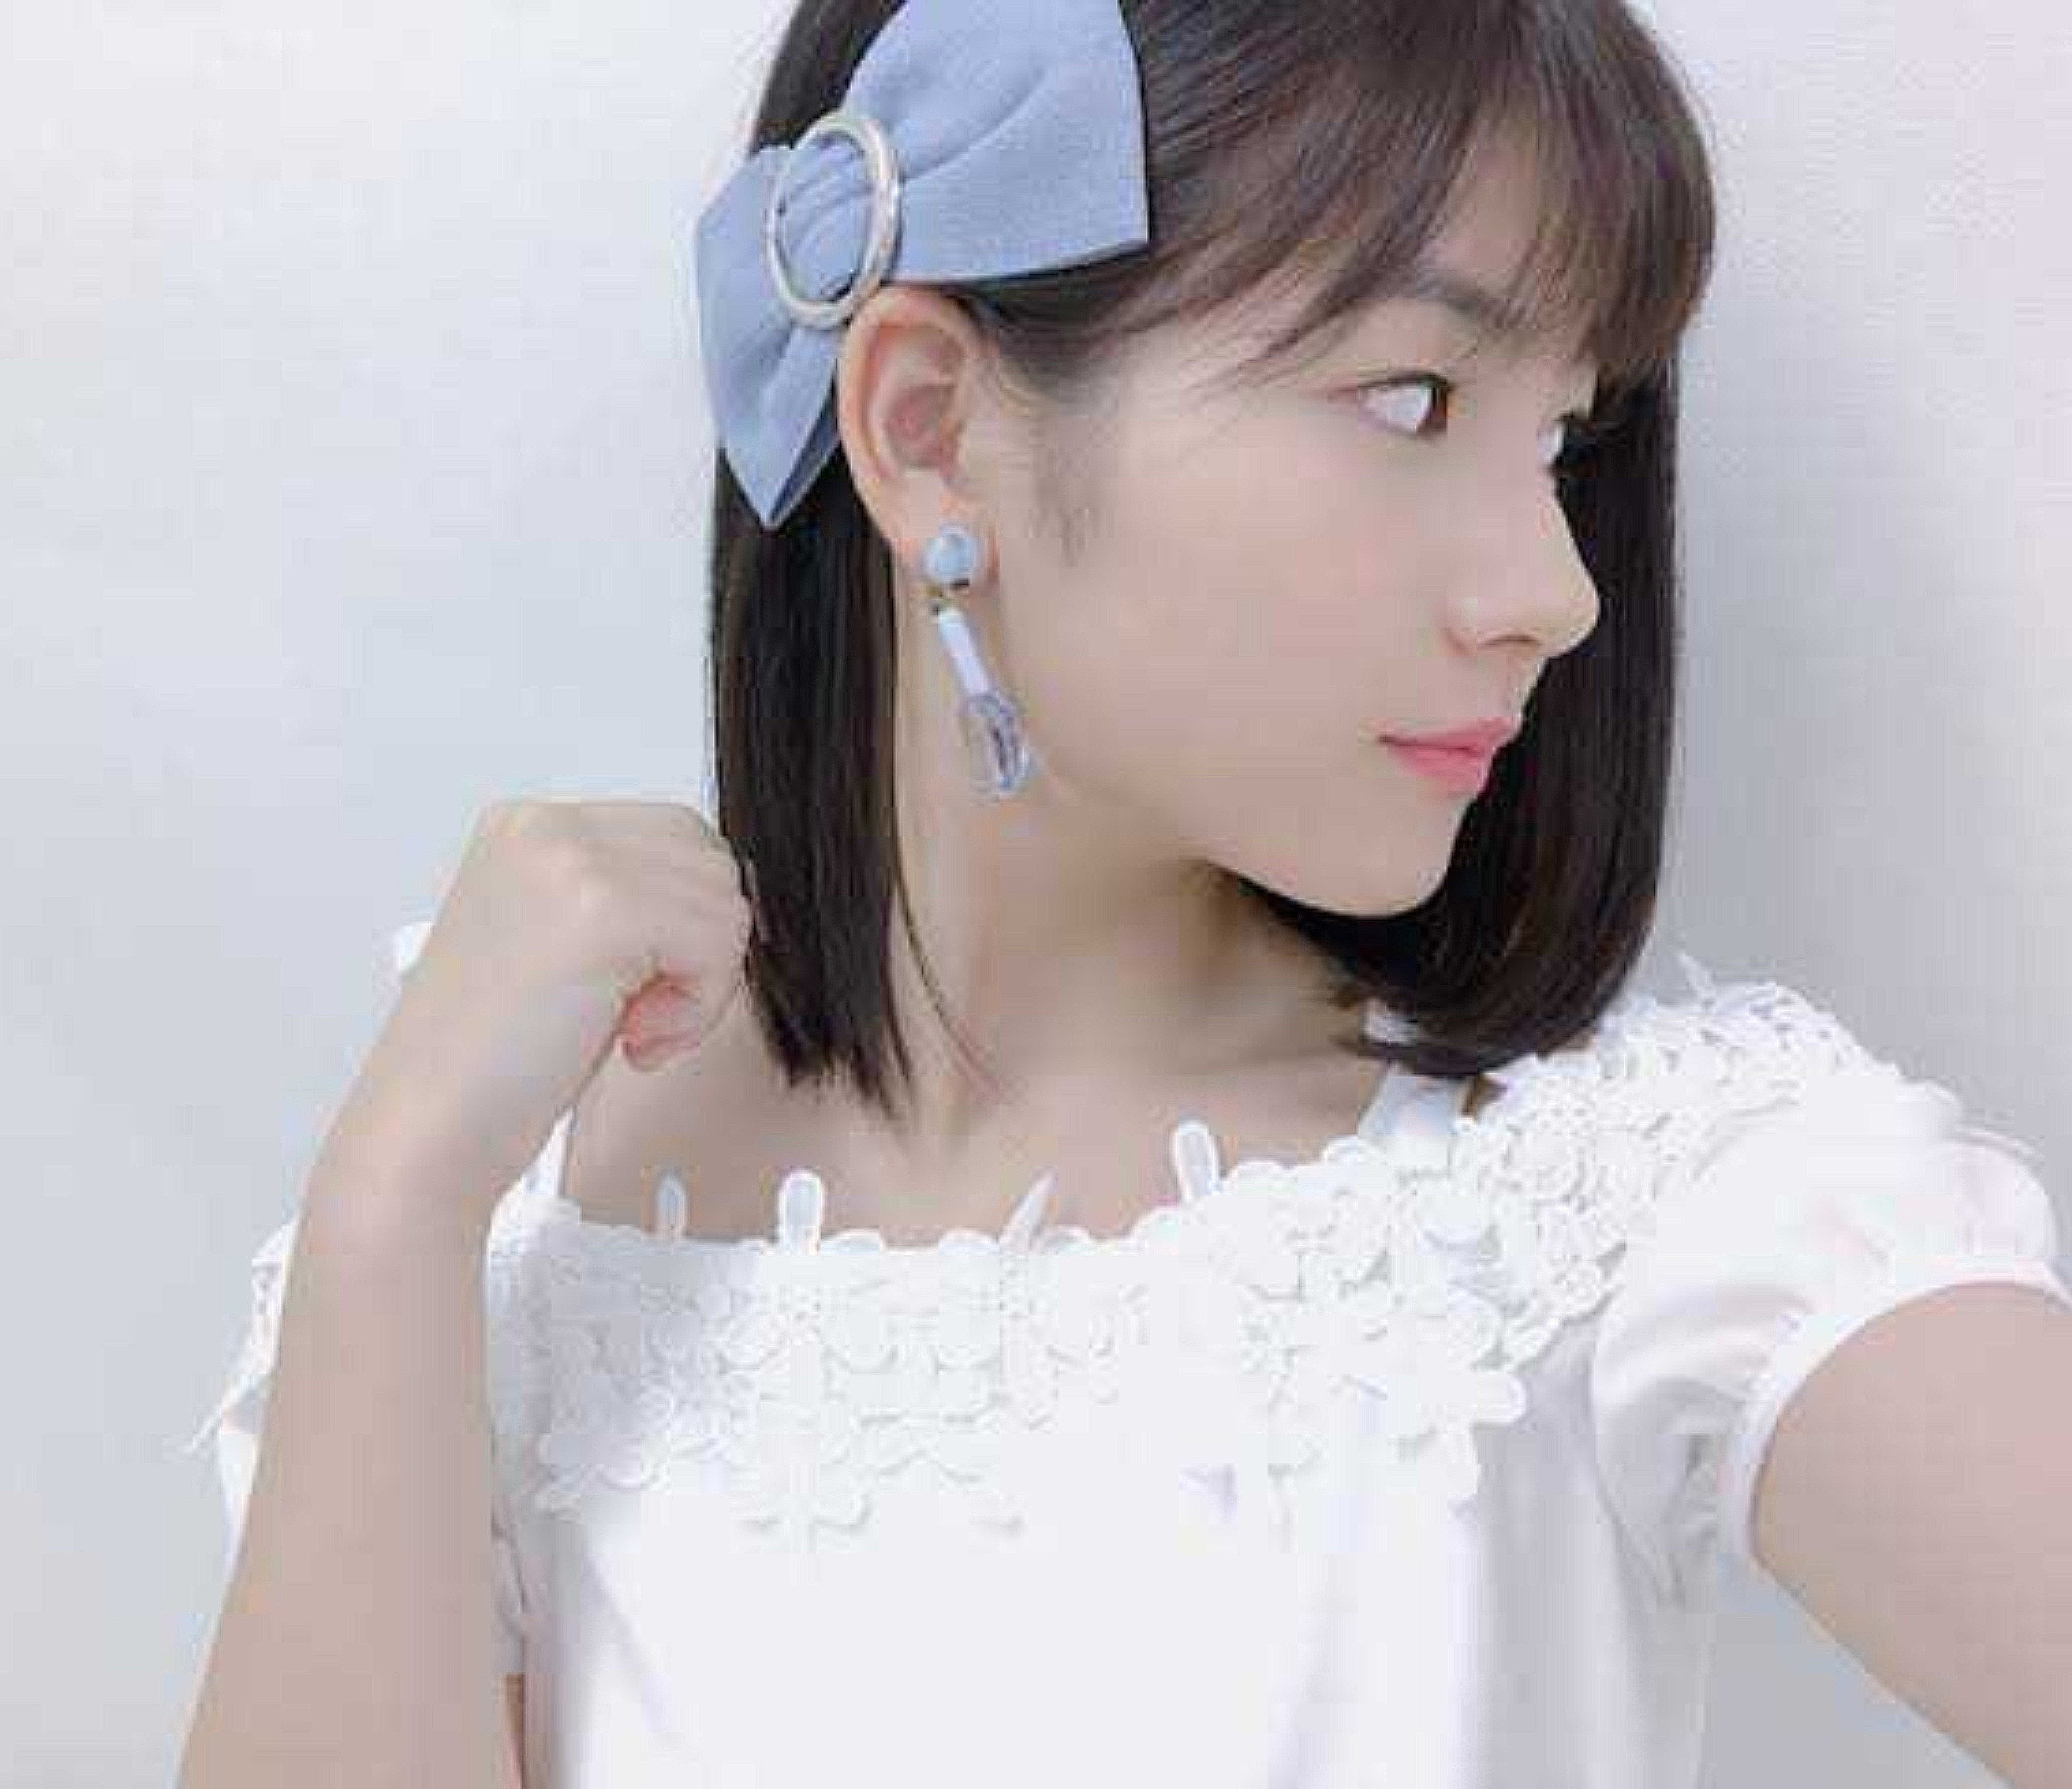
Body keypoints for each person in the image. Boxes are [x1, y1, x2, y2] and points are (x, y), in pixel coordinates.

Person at [179, 2, 2072, 1785]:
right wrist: (390, 1211)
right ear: (926, 427)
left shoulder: (1636, 1195)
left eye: (1565, 440)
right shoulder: (503, 1227)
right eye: (1413, 398)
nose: (1558, 593)